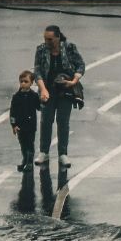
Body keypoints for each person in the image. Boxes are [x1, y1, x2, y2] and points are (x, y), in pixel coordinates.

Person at [33, 24, 85, 169]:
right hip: (48, 90)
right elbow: (37, 71)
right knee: (46, 121)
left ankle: (63, 154)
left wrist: (74, 81)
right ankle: (44, 152)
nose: (47, 42)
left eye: (50, 39)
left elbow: (80, 65)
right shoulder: (41, 50)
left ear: (57, 37)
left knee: (63, 121)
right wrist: (43, 89)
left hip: (65, 90)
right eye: (45, 39)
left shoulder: (69, 48)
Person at [10, 70, 40, 173]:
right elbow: (12, 112)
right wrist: (14, 125)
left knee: (30, 143)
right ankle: (24, 160)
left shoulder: (34, 96)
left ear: (31, 83)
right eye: (21, 81)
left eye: (26, 81)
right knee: (23, 144)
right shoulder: (16, 97)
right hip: (20, 125)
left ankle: (30, 162)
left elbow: (39, 107)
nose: (23, 83)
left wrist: (44, 100)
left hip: (30, 125)